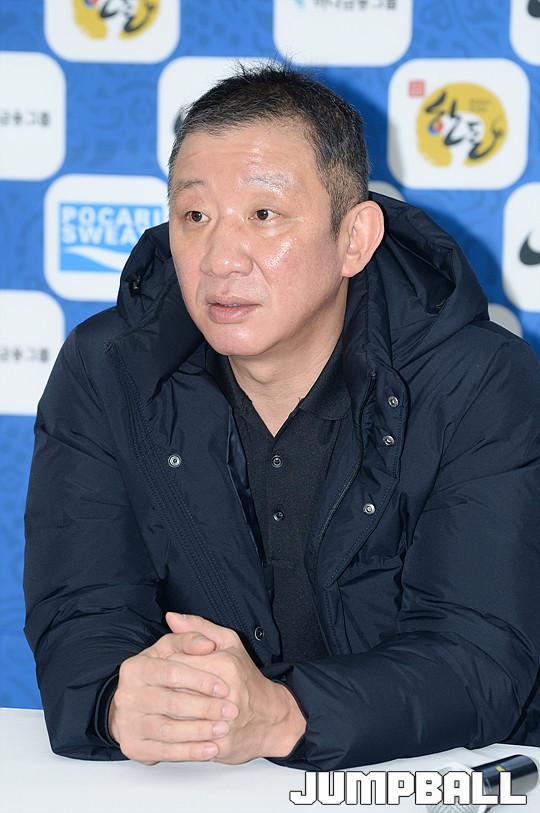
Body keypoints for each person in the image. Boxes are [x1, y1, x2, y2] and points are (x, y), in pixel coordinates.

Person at [23, 63, 540, 771]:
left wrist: (284, 714)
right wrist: (117, 700)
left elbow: (480, 655)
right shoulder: (107, 369)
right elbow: (83, 608)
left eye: (264, 216)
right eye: (195, 217)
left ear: (354, 238)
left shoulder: (478, 380)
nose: (220, 259)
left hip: (438, 774)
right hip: (209, 780)